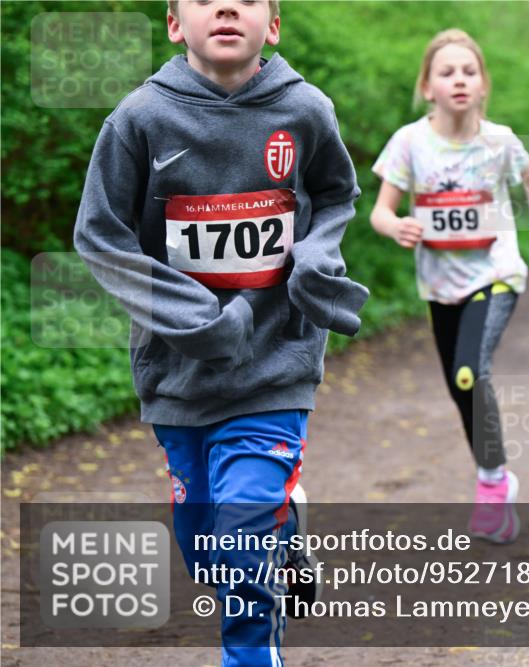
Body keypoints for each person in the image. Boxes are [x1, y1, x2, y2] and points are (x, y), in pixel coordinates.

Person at [73, 1, 370, 664]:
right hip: (178, 374)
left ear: (275, 24)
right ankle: (285, 521)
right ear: (177, 24)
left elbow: (336, 196)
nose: (228, 7)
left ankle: (251, 653)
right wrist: (194, 318)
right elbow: (99, 235)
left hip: (277, 366)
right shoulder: (140, 119)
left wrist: (318, 258)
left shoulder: (306, 110)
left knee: (240, 545)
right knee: (209, 550)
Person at [370, 29, 529, 544]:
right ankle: (496, 473)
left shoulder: (499, 141)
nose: (459, 80)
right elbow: (380, 211)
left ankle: (493, 486)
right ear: (427, 86)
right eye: (446, 72)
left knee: (471, 373)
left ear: (482, 85)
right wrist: (397, 226)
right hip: (439, 285)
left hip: (496, 274)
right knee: (460, 389)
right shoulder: (410, 142)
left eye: (468, 72)